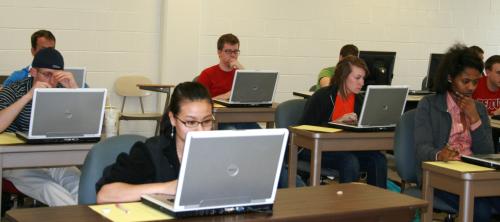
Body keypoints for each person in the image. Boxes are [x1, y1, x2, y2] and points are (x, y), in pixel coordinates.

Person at [415, 44, 500, 221]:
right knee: (481, 210)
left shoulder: (479, 109)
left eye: (475, 82)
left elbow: (487, 153)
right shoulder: (429, 105)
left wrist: (475, 118)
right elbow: (421, 148)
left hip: (474, 174)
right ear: (450, 78)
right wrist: (440, 154)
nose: (471, 87)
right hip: (441, 175)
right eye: (465, 81)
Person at [96, 82, 214, 203]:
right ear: (173, 118)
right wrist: (166, 188)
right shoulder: (150, 152)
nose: (200, 130)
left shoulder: (219, 151)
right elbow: (105, 194)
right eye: (190, 122)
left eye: (207, 121)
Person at [0, 47, 80, 206]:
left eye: (56, 76)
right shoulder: (14, 89)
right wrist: (28, 96)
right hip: (15, 161)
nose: (51, 81)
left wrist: (74, 89)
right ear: (34, 72)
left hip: (53, 158)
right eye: (46, 74)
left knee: (80, 183)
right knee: (50, 188)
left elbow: (84, 126)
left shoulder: (62, 90)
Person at [300, 55, 387, 188]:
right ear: (343, 77)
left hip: (345, 147)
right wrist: (336, 122)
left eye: (363, 78)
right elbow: (304, 129)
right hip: (317, 148)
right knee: (349, 161)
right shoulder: (322, 96)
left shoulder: (360, 100)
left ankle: (377, 205)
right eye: (357, 78)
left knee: (378, 159)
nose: (362, 83)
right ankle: (346, 205)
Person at [197, 33, 259, 130]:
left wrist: (241, 69)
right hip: (218, 120)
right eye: (228, 51)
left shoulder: (240, 73)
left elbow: (255, 91)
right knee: (232, 133)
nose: (233, 55)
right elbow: (199, 102)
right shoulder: (207, 74)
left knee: (261, 134)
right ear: (219, 52)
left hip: (242, 118)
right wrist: (225, 96)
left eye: (235, 51)